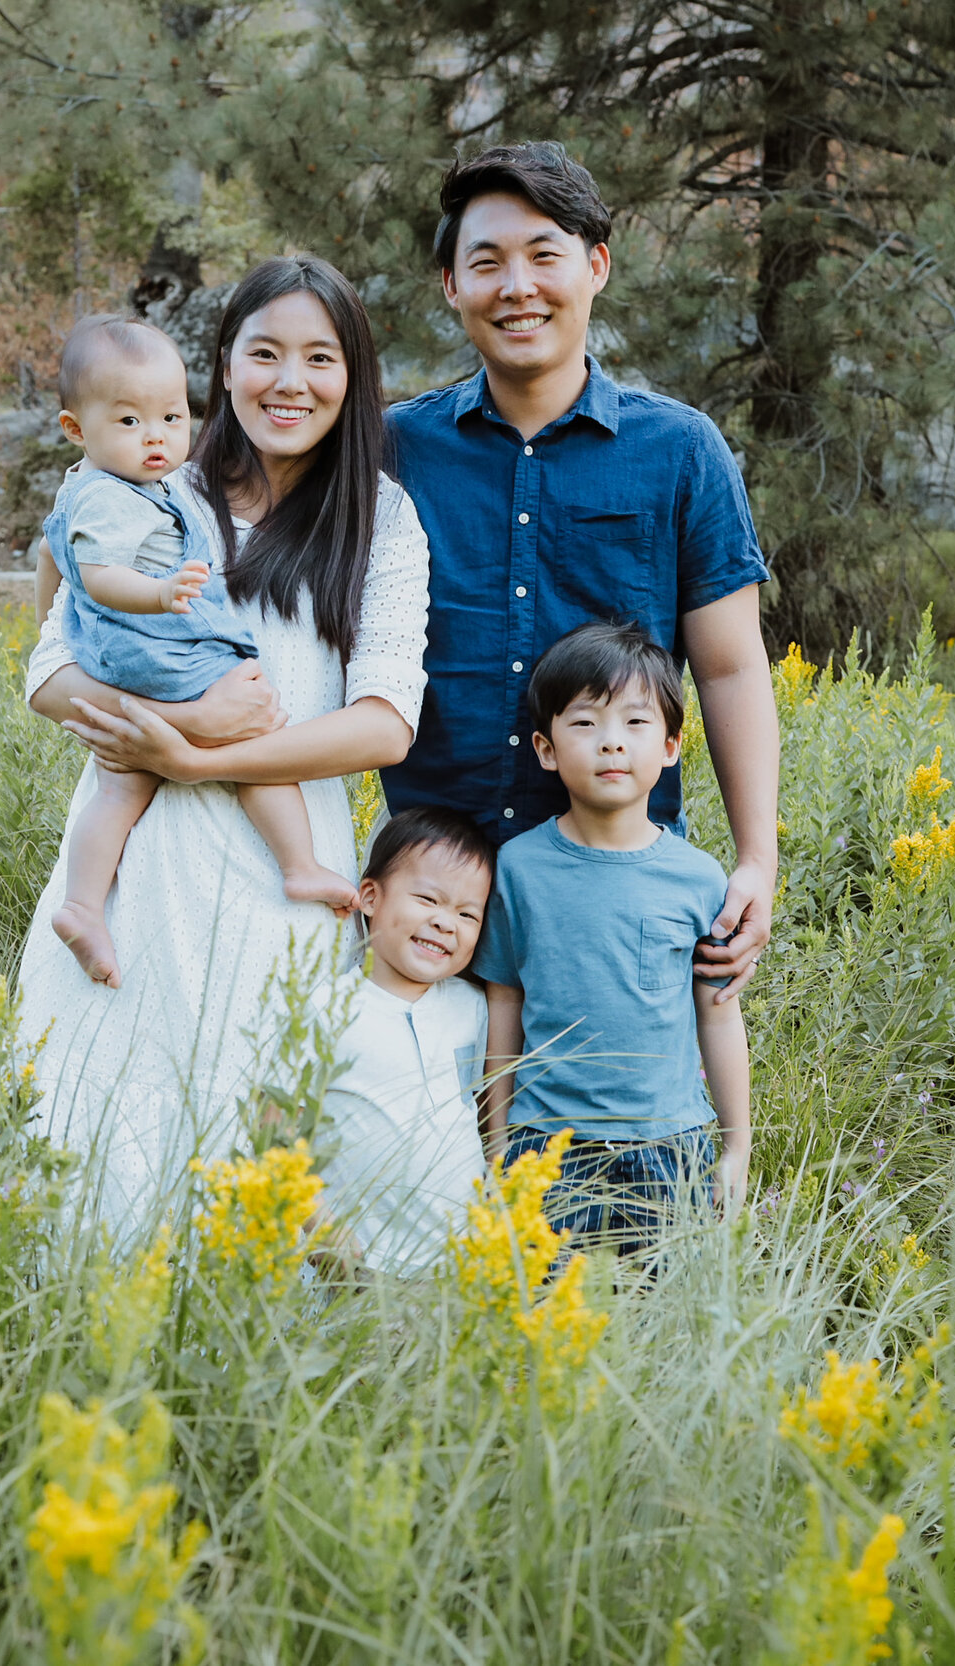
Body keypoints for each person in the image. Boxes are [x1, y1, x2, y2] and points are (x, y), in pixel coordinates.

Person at [19, 256, 431, 1241]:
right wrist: (192, 728)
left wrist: (207, 760)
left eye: (319, 358)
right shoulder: (151, 495)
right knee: (97, 1185)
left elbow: (385, 722)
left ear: (353, 375)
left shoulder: (380, 520)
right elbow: (49, 674)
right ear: (223, 368)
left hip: (285, 888)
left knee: (254, 1193)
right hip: (131, 886)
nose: (290, 382)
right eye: (265, 354)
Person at [383, 141, 781, 1003]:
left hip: (619, 879)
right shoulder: (395, 451)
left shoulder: (680, 452)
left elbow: (729, 664)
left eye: (544, 256)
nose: (517, 287)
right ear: (452, 286)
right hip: (434, 892)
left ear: (596, 266)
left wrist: (757, 858)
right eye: (485, 262)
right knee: (428, 1135)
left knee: (617, 1128)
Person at [41, 315, 357, 988]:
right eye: (129, 423)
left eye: (170, 417)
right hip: (161, 648)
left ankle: (80, 904)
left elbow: (56, 565)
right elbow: (83, 596)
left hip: (133, 657)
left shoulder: (128, 486)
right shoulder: (112, 495)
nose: (155, 437)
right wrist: (163, 611)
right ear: (77, 429)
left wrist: (175, 747)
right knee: (257, 728)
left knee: (121, 786)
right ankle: (299, 863)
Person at [475, 622, 752, 1253]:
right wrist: (496, 1147)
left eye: (635, 723)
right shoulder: (519, 868)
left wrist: (736, 1145)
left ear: (672, 746)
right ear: (545, 749)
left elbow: (719, 1013)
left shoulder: (698, 877)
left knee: (667, 1325)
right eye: (585, 724)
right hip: (545, 1146)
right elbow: (505, 1007)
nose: (611, 744)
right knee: (545, 1327)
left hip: (669, 1144)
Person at [310, 807, 496, 1278]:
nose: (445, 923)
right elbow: (275, 1132)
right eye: (428, 899)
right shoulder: (327, 1009)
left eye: (467, 913)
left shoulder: (474, 1009)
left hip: (460, 1263)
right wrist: (319, 1229)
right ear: (370, 897)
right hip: (360, 1263)